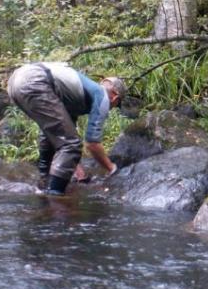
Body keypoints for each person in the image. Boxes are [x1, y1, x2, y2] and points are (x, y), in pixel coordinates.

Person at [7, 62, 125, 195]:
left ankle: (43, 186)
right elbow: (92, 143)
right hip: (36, 81)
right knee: (71, 144)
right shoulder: (102, 95)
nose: (112, 108)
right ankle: (55, 196)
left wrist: (80, 175)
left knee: (56, 139)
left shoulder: (75, 93)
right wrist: (111, 168)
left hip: (15, 82)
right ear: (115, 96)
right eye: (116, 104)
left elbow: (57, 136)